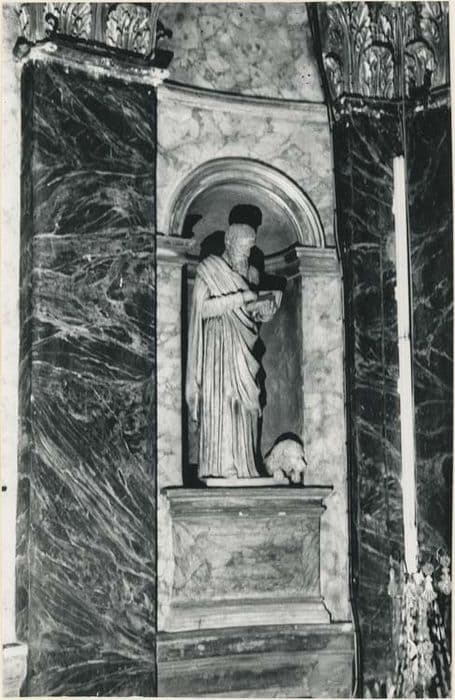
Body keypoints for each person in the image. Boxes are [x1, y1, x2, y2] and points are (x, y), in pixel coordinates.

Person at [186, 205, 279, 479]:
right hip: (218, 345)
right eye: (243, 247)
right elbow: (202, 310)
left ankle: (245, 464)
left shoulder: (252, 274)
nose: (246, 254)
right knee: (223, 401)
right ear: (229, 242)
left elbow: (252, 314)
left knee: (246, 402)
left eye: (250, 248)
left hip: (244, 346)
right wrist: (240, 298)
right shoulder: (208, 269)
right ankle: (220, 466)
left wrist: (263, 309)